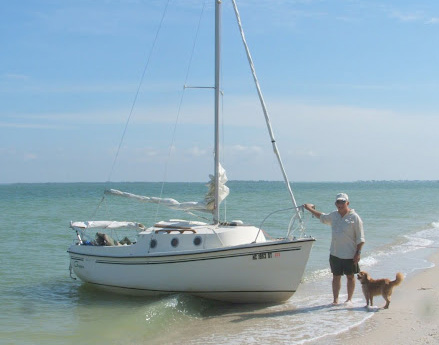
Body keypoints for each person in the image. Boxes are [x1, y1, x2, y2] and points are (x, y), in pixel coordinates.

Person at [303, 193, 365, 305]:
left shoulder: (355, 217)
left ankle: (349, 299)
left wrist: (358, 253)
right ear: (335, 203)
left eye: (342, 202)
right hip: (335, 253)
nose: (340, 204)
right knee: (336, 277)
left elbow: (360, 238)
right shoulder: (334, 215)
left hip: (350, 254)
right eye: (338, 202)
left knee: (350, 277)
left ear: (347, 203)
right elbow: (322, 217)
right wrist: (309, 209)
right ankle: (335, 300)